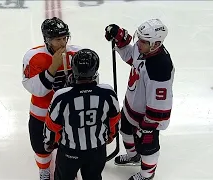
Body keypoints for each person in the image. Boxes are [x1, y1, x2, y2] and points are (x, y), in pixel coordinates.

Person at [104, 19, 175, 180]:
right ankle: (133, 156)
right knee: (125, 130)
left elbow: (160, 103)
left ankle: (147, 174)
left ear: (156, 43)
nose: (138, 44)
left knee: (148, 146)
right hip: (131, 106)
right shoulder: (145, 49)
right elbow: (131, 57)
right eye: (139, 39)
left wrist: (148, 125)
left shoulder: (160, 68)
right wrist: (120, 39)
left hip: (146, 117)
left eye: (143, 41)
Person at [43, 49, 121, 180]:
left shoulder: (62, 96)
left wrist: (49, 143)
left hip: (69, 152)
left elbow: (52, 126)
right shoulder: (108, 92)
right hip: (97, 150)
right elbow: (114, 119)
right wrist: (111, 135)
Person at [22, 17, 81, 180]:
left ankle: (70, 169)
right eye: (57, 39)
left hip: (68, 114)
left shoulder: (77, 54)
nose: (62, 44)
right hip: (41, 113)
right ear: (47, 40)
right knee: (41, 147)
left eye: (64, 38)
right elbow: (36, 90)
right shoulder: (33, 56)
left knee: (70, 146)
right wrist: (53, 67)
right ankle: (44, 170)